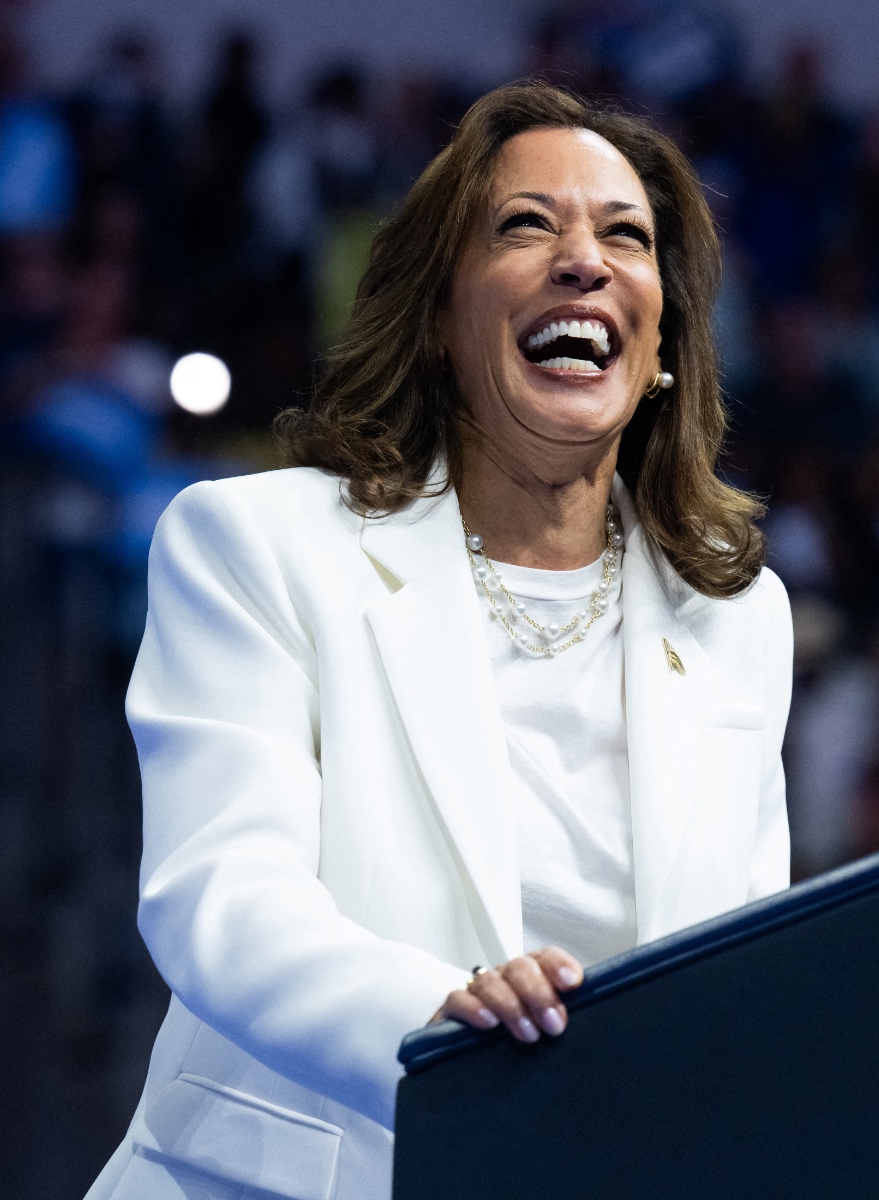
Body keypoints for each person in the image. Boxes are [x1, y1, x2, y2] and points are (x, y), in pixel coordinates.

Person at [85, 82, 792, 1200]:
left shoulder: (739, 617)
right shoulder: (259, 545)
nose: (584, 261)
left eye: (626, 235)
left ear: (663, 338)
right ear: (439, 317)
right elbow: (222, 899)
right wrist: (439, 1023)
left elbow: (741, 978)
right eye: (526, 225)